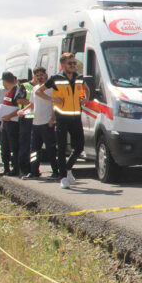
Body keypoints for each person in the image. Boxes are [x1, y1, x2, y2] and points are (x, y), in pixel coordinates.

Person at [36, 53, 88, 189]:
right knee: (61, 147)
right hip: (62, 117)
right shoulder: (55, 78)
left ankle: (68, 168)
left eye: (74, 63)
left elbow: (86, 89)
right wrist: (53, 99)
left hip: (76, 116)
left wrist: (85, 98)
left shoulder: (79, 77)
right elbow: (39, 92)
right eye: (70, 63)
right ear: (63, 65)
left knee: (79, 147)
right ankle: (63, 177)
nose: (73, 65)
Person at [22, 67, 58, 180]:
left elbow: (56, 105)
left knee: (50, 149)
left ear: (46, 75)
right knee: (34, 150)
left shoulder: (51, 89)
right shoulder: (35, 89)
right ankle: (34, 171)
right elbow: (32, 104)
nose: (39, 77)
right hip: (36, 123)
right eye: (37, 75)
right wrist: (23, 111)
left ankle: (55, 172)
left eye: (41, 75)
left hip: (47, 123)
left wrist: (52, 119)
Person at [0, 72, 20, 176]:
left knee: (14, 147)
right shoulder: (8, 92)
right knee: (4, 147)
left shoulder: (16, 91)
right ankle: (6, 168)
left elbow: (20, 108)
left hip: (13, 123)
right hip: (6, 123)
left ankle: (15, 169)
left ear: (4, 81)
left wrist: (9, 116)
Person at [14, 73, 37, 175]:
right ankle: (23, 169)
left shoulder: (42, 86)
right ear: (33, 75)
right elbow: (19, 99)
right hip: (26, 119)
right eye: (38, 75)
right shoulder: (24, 86)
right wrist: (34, 102)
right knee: (25, 145)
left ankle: (34, 169)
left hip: (37, 119)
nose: (40, 77)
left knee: (35, 146)